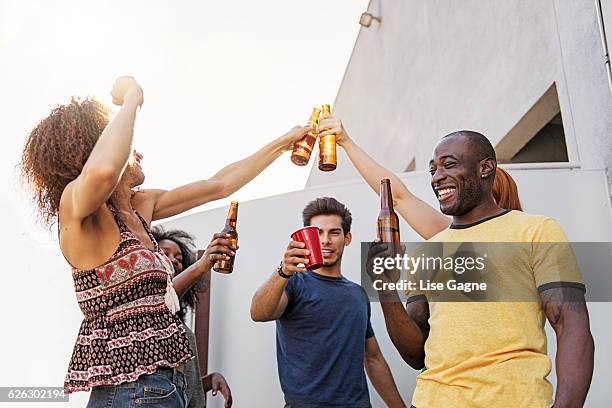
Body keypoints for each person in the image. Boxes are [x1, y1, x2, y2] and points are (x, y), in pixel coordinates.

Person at [19, 76, 311, 407]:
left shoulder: (141, 206)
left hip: (170, 387)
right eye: (125, 145)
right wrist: (132, 96)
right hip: (128, 393)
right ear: (94, 150)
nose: (136, 151)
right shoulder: (79, 212)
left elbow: (220, 184)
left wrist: (283, 143)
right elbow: (102, 172)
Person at [355, 130, 593, 407]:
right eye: (433, 169)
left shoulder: (536, 230)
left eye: (449, 164)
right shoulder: (428, 251)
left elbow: (570, 323)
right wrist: (386, 288)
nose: (437, 176)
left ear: (485, 167)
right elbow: (416, 355)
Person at [250, 197, 406, 408]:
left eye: (334, 232)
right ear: (307, 239)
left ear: (347, 238)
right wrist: (283, 271)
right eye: (318, 233)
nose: (325, 240)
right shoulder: (293, 282)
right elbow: (258, 313)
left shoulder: (357, 294)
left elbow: (373, 358)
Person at [316, 116, 522, 241]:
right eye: (433, 170)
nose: (439, 177)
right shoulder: (453, 238)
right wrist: (347, 143)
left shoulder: (528, 236)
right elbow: (398, 197)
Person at [152, 227, 232, 408]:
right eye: (165, 253)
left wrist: (207, 380)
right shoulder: (145, 310)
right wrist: (201, 265)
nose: (173, 260)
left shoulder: (177, 322)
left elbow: (174, 383)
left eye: (179, 259)